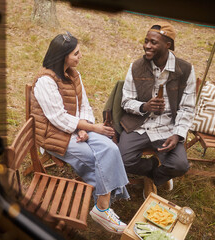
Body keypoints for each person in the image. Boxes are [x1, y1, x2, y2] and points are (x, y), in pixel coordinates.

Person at [31, 32, 130, 234]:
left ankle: (101, 208)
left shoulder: (74, 75)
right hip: (53, 135)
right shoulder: (45, 82)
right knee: (96, 160)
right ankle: (104, 206)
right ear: (63, 56)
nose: (80, 56)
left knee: (110, 149)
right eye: (76, 53)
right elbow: (57, 118)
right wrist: (90, 128)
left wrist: (84, 127)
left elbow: (83, 104)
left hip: (77, 127)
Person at [118, 21, 196, 199]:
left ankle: (155, 177)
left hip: (167, 128)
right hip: (139, 125)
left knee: (180, 166)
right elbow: (126, 101)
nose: (147, 46)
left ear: (168, 45)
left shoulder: (185, 70)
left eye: (153, 42)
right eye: (146, 41)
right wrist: (144, 106)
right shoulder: (136, 66)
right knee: (121, 160)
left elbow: (187, 107)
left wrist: (177, 134)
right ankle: (153, 169)